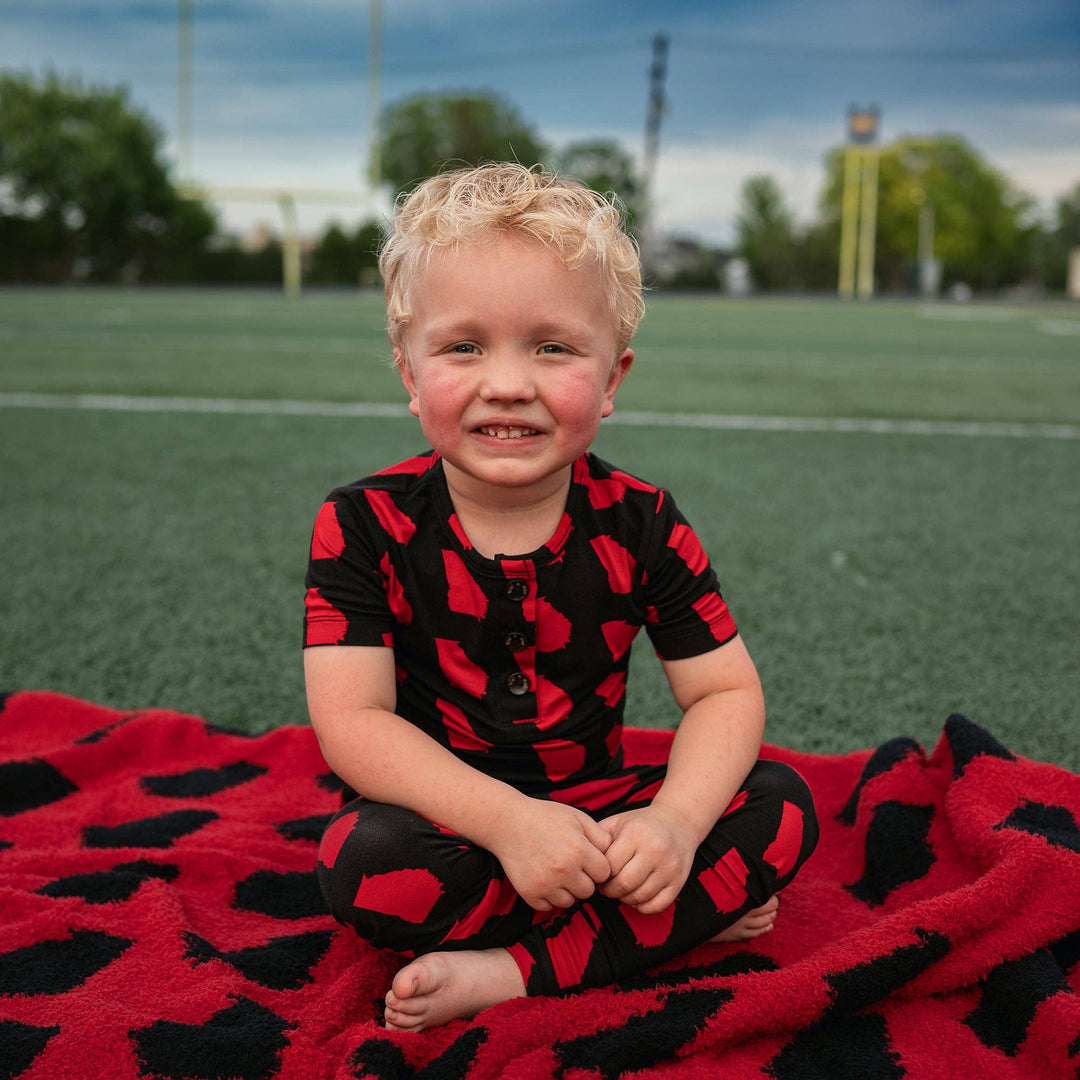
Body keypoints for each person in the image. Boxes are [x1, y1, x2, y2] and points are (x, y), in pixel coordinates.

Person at [304, 163, 818, 1032]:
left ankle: (513, 972)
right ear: (408, 369)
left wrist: (676, 828)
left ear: (612, 378)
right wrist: (508, 824)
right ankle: (672, 926)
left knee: (782, 804)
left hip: (603, 819)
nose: (507, 382)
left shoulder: (645, 520)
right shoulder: (362, 521)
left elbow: (724, 693)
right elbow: (354, 721)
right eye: (464, 347)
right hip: (452, 821)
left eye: (552, 347)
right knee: (363, 862)